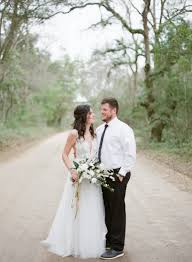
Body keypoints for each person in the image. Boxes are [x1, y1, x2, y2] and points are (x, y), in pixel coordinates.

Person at [40, 104, 106, 259]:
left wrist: (97, 170)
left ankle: (90, 242)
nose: (94, 114)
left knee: (92, 210)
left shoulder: (94, 132)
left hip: (92, 179)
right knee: (77, 210)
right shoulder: (74, 133)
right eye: (90, 113)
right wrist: (72, 170)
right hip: (78, 178)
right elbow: (64, 154)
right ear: (84, 115)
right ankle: (73, 243)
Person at [96, 98, 136, 260]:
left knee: (117, 210)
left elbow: (130, 153)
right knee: (106, 209)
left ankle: (117, 247)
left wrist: (121, 173)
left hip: (117, 174)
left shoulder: (123, 129)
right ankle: (109, 241)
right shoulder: (99, 129)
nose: (102, 112)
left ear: (114, 111)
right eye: (101, 109)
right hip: (102, 174)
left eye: (105, 109)